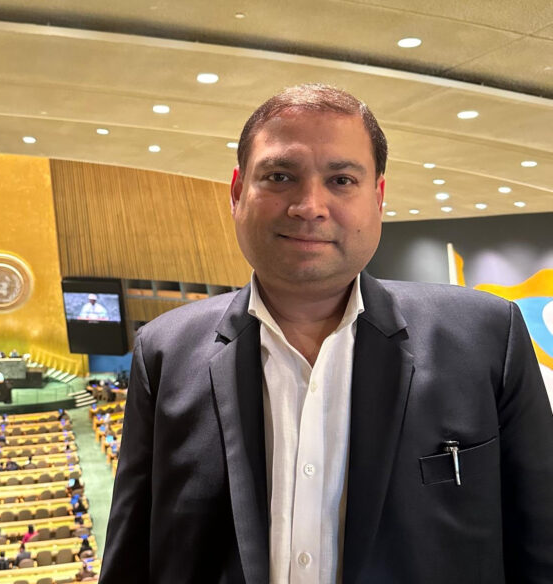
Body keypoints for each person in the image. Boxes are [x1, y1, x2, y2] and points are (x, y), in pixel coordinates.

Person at [100, 84, 553, 583]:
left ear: (377, 197)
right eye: (279, 176)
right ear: (237, 192)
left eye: (340, 179)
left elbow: (541, 544)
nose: (309, 205)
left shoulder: (486, 339)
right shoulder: (164, 352)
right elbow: (132, 556)